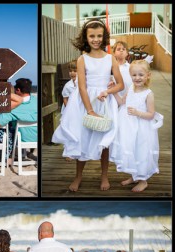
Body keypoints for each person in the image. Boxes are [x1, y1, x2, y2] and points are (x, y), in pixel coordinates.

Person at [51, 19, 124, 192]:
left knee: (104, 140)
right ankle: (78, 176)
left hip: (104, 101)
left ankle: (104, 176)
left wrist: (108, 91)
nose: (96, 39)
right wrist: (89, 110)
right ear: (86, 37)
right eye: (92, 36)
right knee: (82, 138)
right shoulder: (82, 59)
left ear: (104, 37)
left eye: (99, 36)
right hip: (85, 102)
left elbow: (120, 84)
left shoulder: (110, 59)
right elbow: (82, 86)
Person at [111, 60, 163, 192]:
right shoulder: (131, 89)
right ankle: (134, 176)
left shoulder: (148, 94)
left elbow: (151, 114)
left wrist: (137, 112)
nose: (137, 78)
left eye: (141, 75)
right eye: (134, 75)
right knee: (131, 150)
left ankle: (143, 180)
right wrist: (113, 91)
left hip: (142, 129)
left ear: (148, 75)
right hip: (129, 127)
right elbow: (122, 102)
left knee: (141, 152)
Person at [112, 41, 133, 105]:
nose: (121, 51)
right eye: (118, 49)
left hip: (128, 97)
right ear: (114, 53)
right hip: (114, 98)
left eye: (123, 49)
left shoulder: (131, 67)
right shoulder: (111, 67)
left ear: (127, 53)